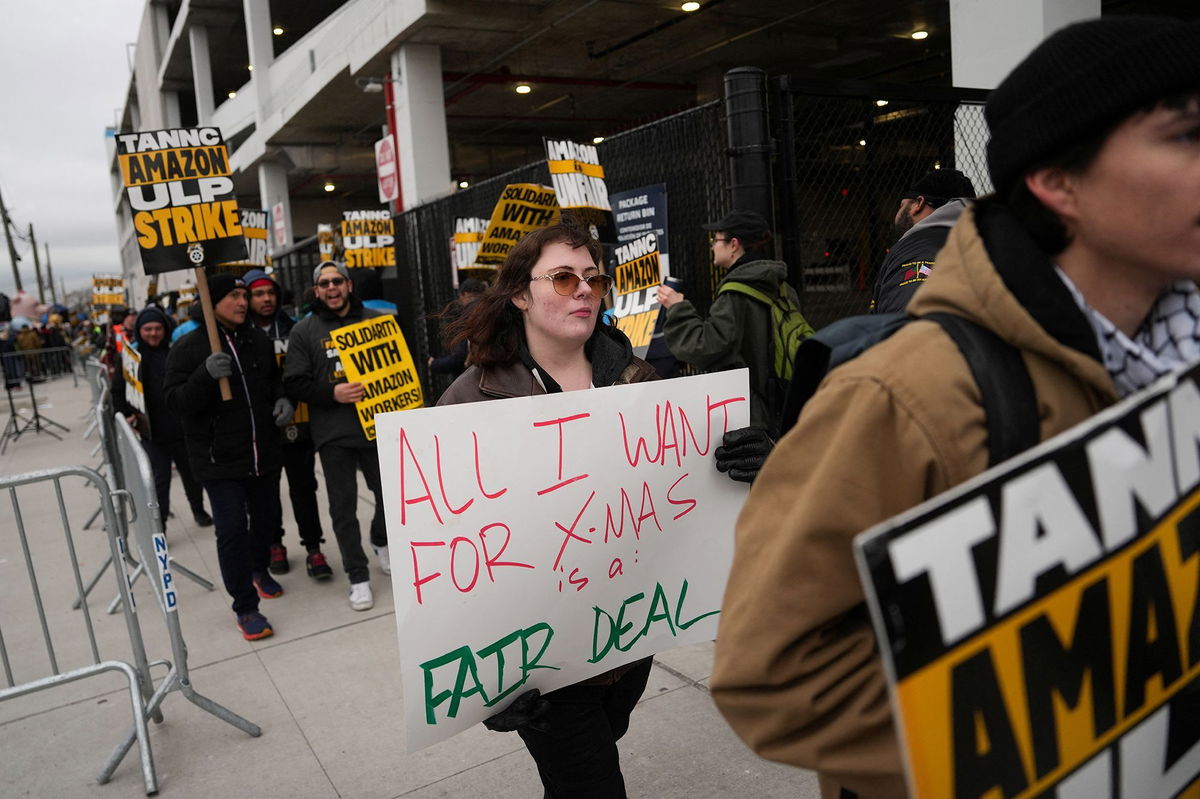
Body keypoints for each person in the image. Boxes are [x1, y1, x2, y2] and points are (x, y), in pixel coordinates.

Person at [710, 16, 1200, 799]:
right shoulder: (906, 393)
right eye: (1185, 134)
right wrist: (1073, 719)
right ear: (1058, 182)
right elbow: (769, 672)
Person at [440, 223, 657, 799]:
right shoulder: (469, 398)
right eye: (563, 278)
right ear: (520, 294)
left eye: (594, 279)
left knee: (595, 752)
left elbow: (668, 496)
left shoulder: (638, 380)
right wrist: (488, 680)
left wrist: (736, 461)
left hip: (626, 637)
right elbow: (448, 549)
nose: (583, 290)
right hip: (538, 660)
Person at [164, 275, 294, 640]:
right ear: (213, 301)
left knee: (266, 520)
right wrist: (204, 376)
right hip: (217, 459)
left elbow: (274, 382)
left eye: (243, 295)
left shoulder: (258, 340)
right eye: (234, 296)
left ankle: (258, 568)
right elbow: (174, 401)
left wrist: (284, 398)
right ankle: (246, 606)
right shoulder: (189, 348)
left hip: (262, 453)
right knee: (233, 528)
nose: (242, 302)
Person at [283, 261, 391, 611]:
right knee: (343, 509)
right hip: (335, 435)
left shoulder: (376, 320)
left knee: (391, 497)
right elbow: (295, 382)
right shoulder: (304, 330)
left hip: (378, 427)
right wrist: (333, 393)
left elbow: (398, 367)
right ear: (316, 290)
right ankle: (358, 576)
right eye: (324, 283)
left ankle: (380, 540)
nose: (331, 288)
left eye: (337, 281)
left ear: (349, 285)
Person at [655, 210, 797, 436]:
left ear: (734, 244)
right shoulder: (781, 286)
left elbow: (707, 347)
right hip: (784, 401)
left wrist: (677, 308)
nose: (712, 245)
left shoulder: (736, 292)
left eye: (716, 239)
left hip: (750, 413)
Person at [243, 268, 332, 579]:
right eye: (258, 293)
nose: (266, 299)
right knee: (267, 493)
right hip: (261, 430)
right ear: (248, 298)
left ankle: (313, 548)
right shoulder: (241, 335)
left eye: (270, 292)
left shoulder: (295, 329)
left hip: (299, 424)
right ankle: (274, 543)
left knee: (304, 488)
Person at [111, 305, 211, 528]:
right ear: (139, 330)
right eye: (148, 329)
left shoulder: (176, 351)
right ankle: (160, 524)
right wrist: (126, 415)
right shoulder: (130, 358)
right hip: (152, 432)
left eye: (158, 328)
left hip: (182, 428)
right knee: (159, 481)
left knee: (193, 476)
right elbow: (118, 391)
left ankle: (198, 510)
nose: (153, 333)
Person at [870, 168, 977, 314]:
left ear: (917, 204)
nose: (897, 213)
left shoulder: (919, 252)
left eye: (902, 205)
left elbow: (908, 325)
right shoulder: (979, 243)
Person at [428, 277, 487, 379]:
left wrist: (435, 364)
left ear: (465, 294)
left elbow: (460, 356)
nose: (460, 302)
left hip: (478, 374)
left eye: (460, 297)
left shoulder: (470, 314)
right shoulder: (491, 308)